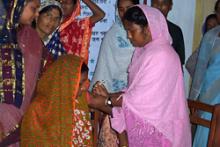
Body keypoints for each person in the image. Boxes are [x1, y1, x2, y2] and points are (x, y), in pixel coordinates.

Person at [89, 5, 191, 147]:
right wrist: (108, 96)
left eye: (132, 30)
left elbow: (139, 100)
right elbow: (136, 92)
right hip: (152, 123)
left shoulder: (161, 55)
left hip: (161, 131)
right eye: (127, 31)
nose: (128, 36)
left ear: (148, 29)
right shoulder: (146, 51)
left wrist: (106, 101)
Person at [89, 0, 139, 146]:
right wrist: (103, 98)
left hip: (139, 105)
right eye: (121, 9)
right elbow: (103, 68)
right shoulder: (112, 34)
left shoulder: (147, 35)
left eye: (129, 8)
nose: (125, 13)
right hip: (112, 103)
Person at [21, 55, 93, 146]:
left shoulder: (79, 104)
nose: (84, 88)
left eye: (85, 82)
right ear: (65, 82)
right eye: (80, 84)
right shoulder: (37, 111)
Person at [0, 0, 41, 146]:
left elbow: (34, 81)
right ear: (16, 5)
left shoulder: (32, 38)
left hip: (23, 119)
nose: (37, 14)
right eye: (33, 8)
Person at [189, 25, 220, 147]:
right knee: (206, 135)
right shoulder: (211, 37)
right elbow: (200, 69)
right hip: (211, 96)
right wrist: (194, 98)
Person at [34, 0, 66, 71]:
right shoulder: (24, 40)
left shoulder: (58, 50)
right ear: (37, 16)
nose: (52, 21)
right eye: (48, 15)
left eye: (56, 18)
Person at [151, 0, 185, 67]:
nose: (159, 6)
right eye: (156, 3)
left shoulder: (176, 31)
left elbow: (180, 59)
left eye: (164, 3)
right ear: (151, 5)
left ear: (170, 6)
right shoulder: (143, 28)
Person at [186, 13, 218, 78]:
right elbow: (189, 64)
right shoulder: (205, 44)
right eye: (209, 26)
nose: (211, 29)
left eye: (214, 26)